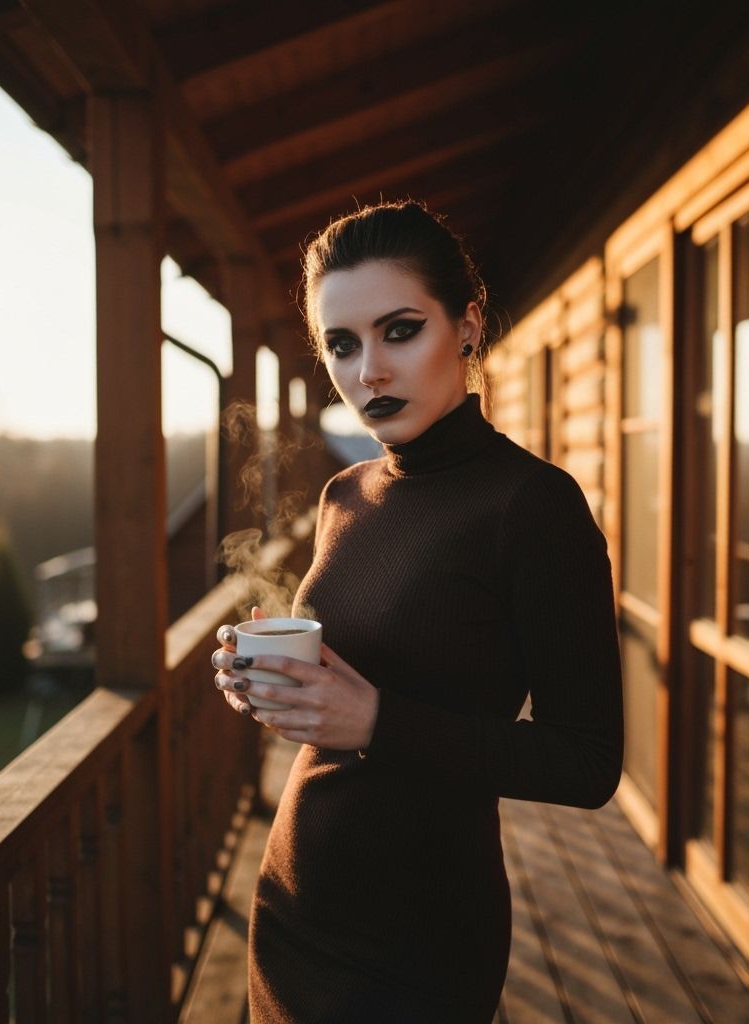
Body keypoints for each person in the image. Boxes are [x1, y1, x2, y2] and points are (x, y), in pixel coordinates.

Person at [210, 199, 624, 1023]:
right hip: (290, 911)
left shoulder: (531, 505)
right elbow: (350, 684)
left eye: (400, 330)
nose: (369, 371)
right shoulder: (344, 495)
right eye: (342, 343)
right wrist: (269, 686)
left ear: (468, 327)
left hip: (415, 946)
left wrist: (376, 721)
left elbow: (587, 763)